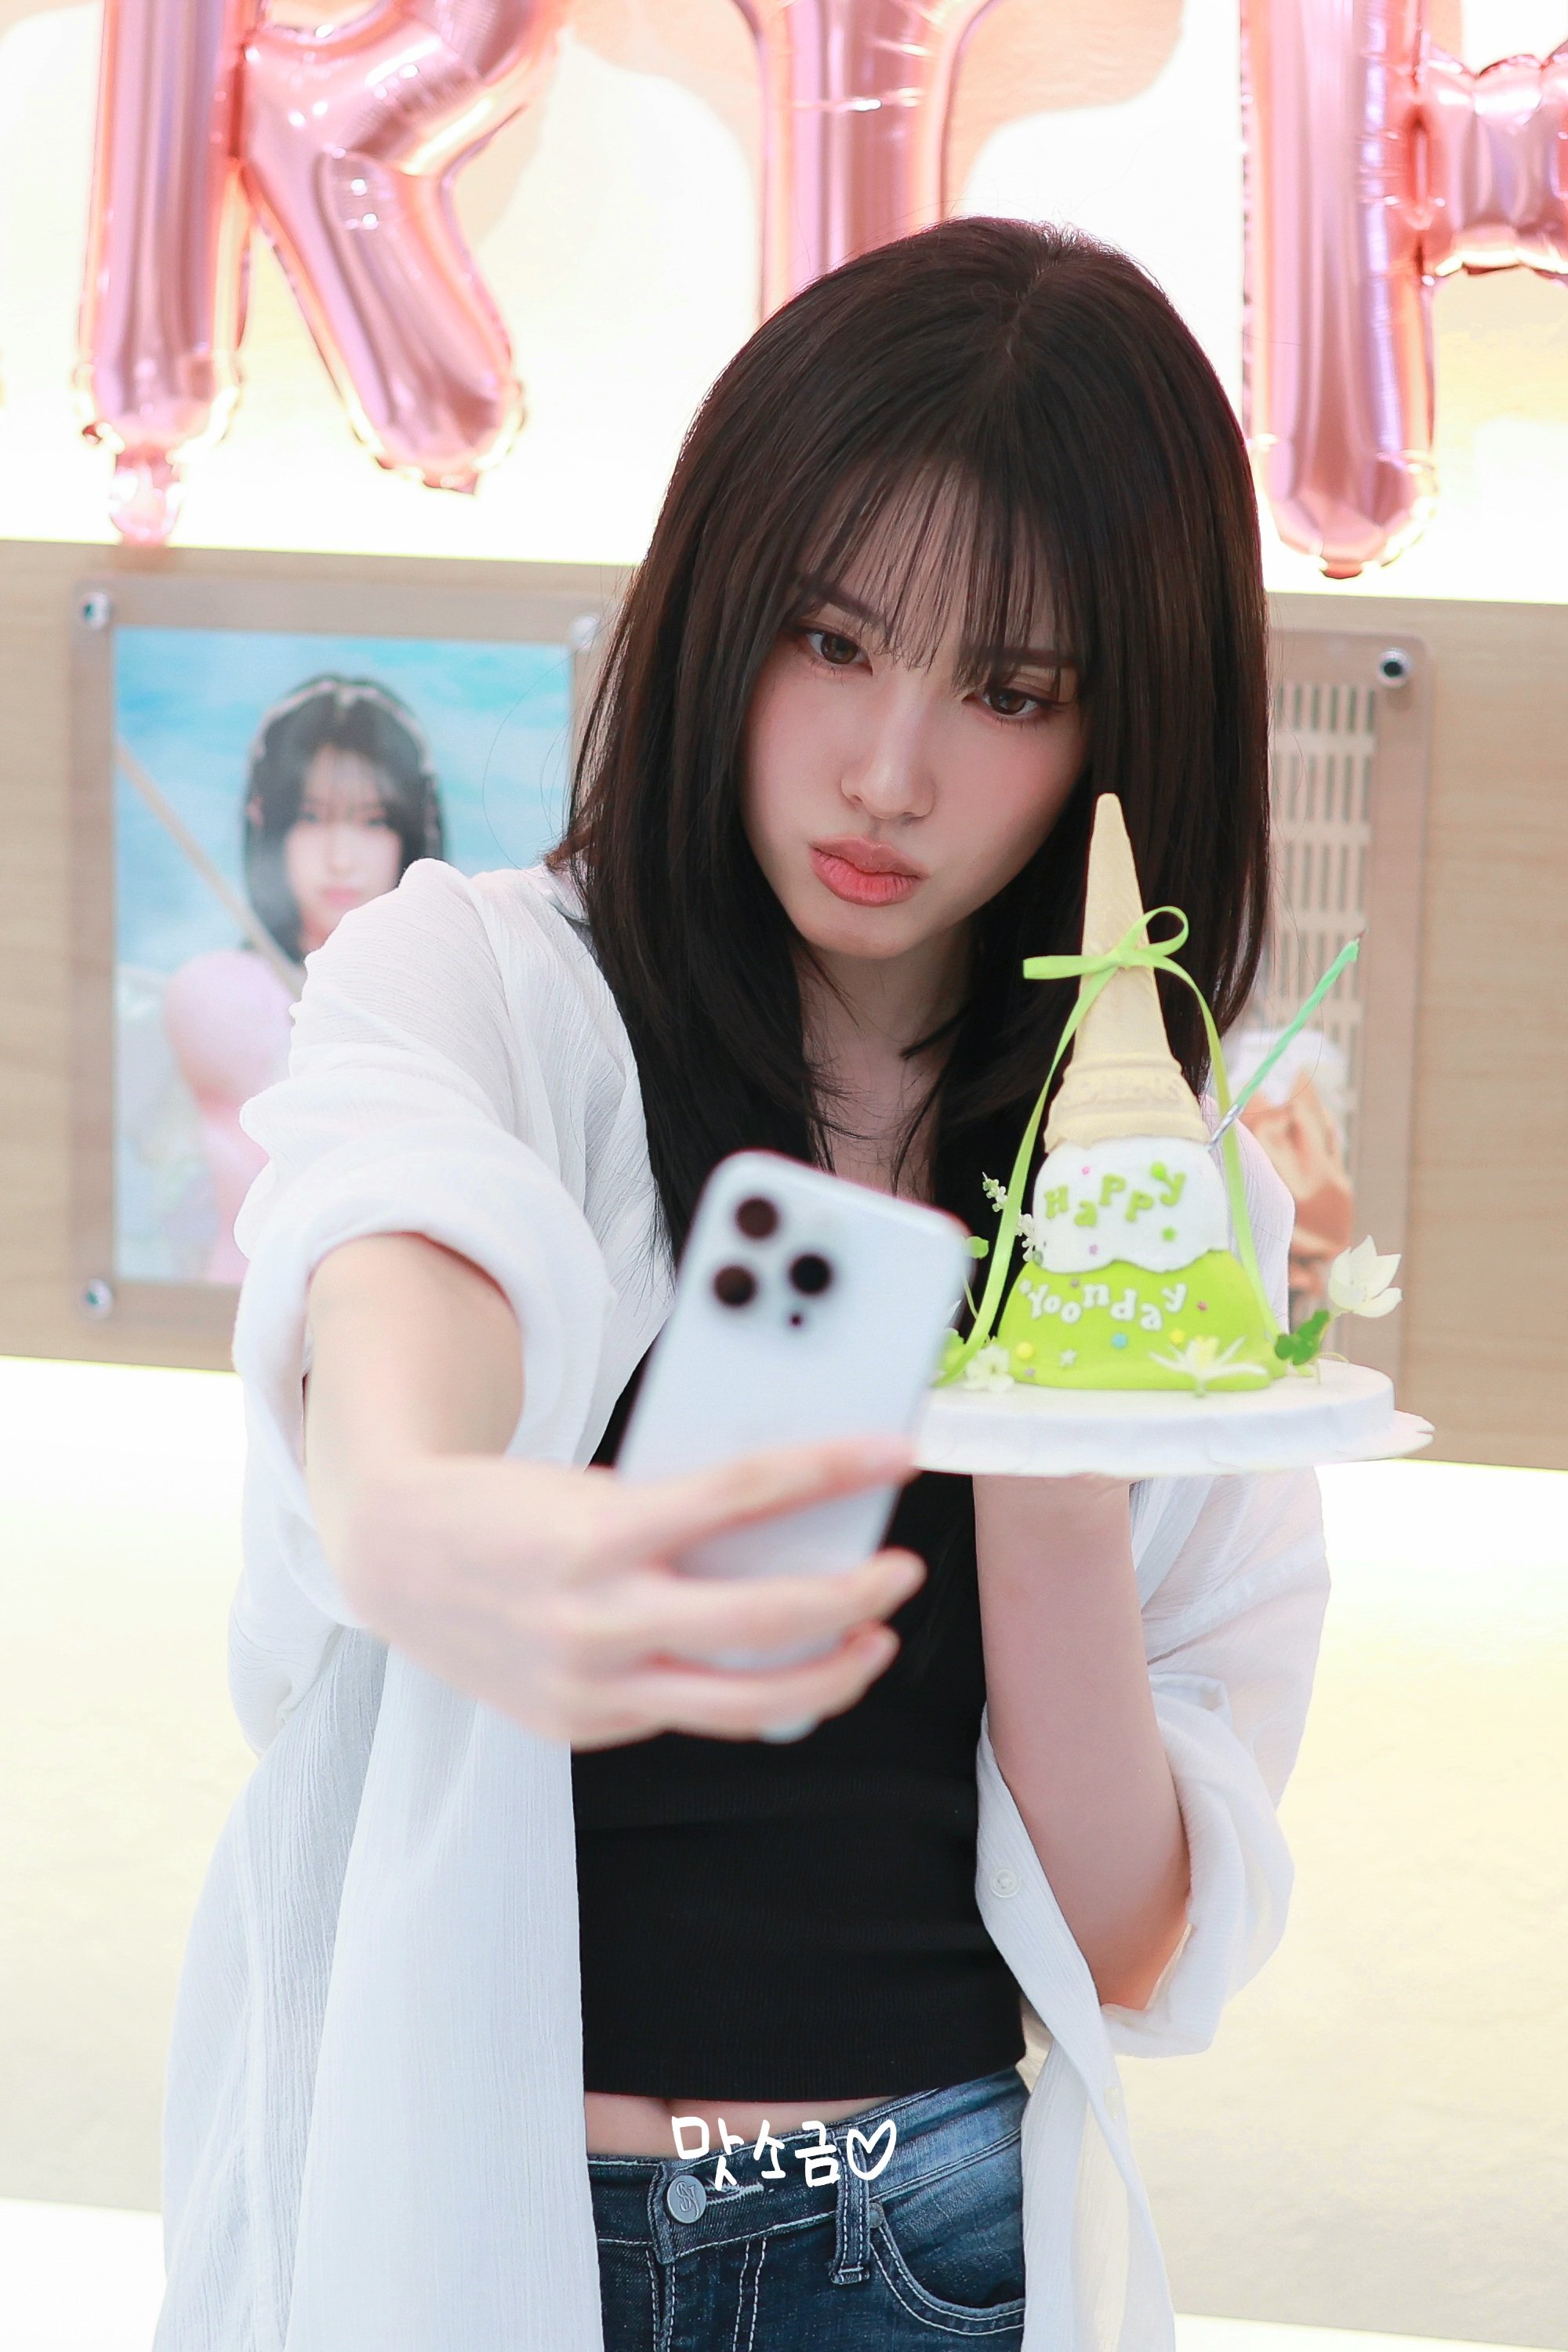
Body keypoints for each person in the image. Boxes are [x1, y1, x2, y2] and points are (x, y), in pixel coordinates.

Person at [153, 220, 1330, 2352]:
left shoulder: (1164, 1200)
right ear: (720, 606)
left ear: (1125, 727)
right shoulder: (486, 983)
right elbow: (409, 1236)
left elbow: (1134, 1943)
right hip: (475, 2223)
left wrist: (1053, 1444)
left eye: (1008, 691)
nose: (890, 770)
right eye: (830, 637)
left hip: (922, 2237)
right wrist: (416, 1507)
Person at [160, 676, 444, 1280]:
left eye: (373, 822)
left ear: (412, 832)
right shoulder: (216, 991)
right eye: (312, 818)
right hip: (244, 1304)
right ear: (267, 822)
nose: (341, 857)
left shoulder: (443, 994)